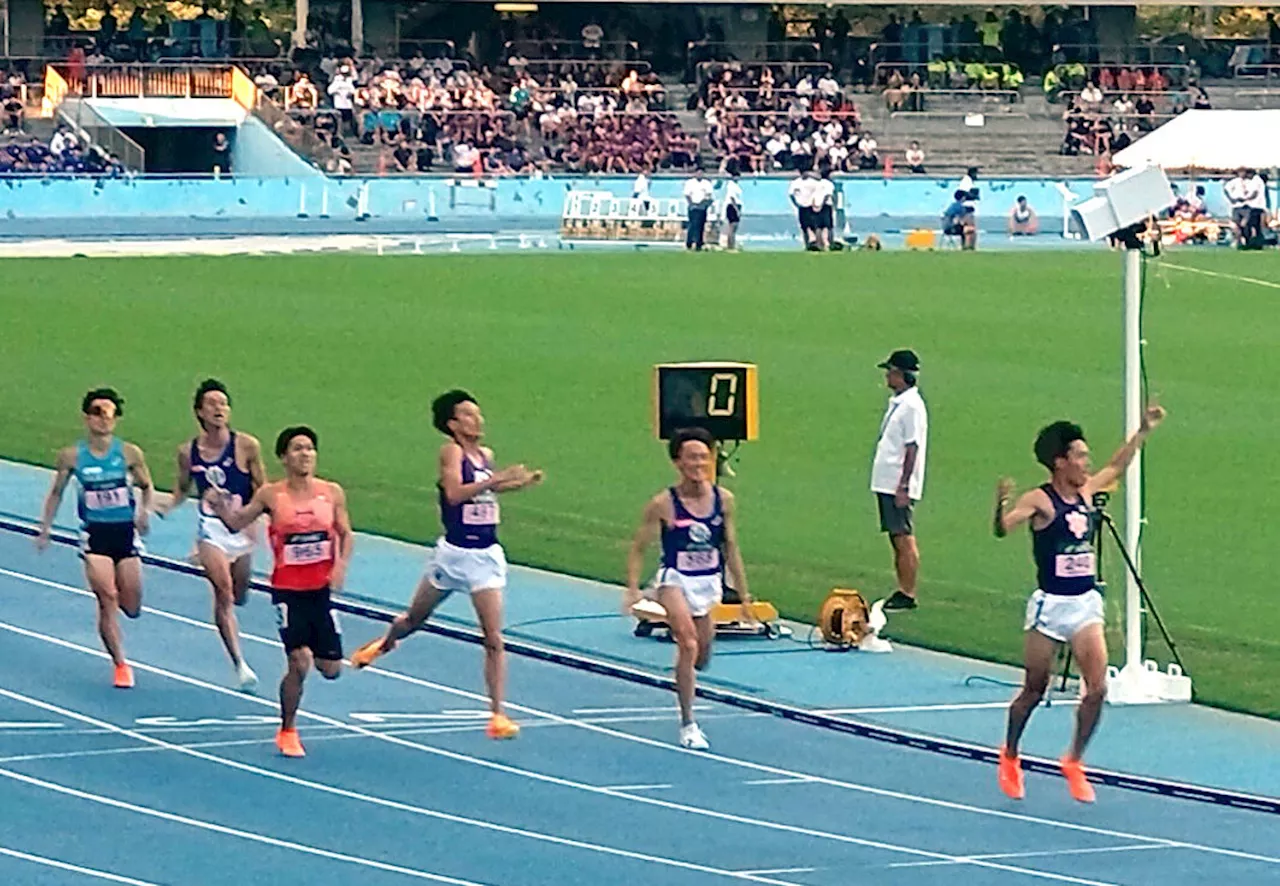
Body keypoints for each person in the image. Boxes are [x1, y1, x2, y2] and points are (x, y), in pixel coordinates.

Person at [992, 403, 1166, 803]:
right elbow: (1005, 528)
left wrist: (1142, 431)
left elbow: (1116, 467)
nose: (1087, 463)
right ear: (1060, 462)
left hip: (1084, 604)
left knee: (1098, 688)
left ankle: (1073, 760)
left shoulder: (1088, 493)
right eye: (1080, 456)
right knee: (1035, 688)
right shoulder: (1041, 499)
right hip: (1050, 605)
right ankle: (1011, 754)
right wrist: (1000, 507)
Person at [349, 390, 543, 740]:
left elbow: (484, 492)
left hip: (485, 557)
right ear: (453, 424)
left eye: (478, 413)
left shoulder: (486, 455)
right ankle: (385, 643)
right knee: (413, 619)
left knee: (494, 638)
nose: (477, 420)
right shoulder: (450, 452)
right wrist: (497, 479)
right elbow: (455, 493)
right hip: (453, 555)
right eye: (468, 415)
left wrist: (518, 483)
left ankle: (497, 714)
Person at [207, 426, 353, 758]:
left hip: (322, 590)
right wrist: (220, 507)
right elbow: (237, 522)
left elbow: (346, 533)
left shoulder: (331, 493)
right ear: (284, 457)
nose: (305, 454)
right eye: (298, 449)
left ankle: (313, 667)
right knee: (299, 662)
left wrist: (341, 566)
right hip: (289, 591)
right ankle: (288, 728)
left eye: (310, 448)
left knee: (331, 670)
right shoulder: (272, 496)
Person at [624, 427, 753, 749]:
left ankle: (684, 678)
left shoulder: (724, 500)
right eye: (691, 457)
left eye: (703, 457)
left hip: (707, 581)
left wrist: (745, 596)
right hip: (674, 580)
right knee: (689, 644)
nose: (698, 463)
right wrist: (632, 590)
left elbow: (731, 547)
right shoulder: (663, 504)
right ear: (678, 462)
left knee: (702, 657)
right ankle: (688, 723)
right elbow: (639, 547)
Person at [37, 388, 155, 688]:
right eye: (98, 413)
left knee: (132, 605)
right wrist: (45, 528)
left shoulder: (129, 453)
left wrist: (144, 513)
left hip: (125, 534)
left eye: (110, 413)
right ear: (87, 418)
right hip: (94, 536)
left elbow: (147, 485)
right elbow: (56, 493)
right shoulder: (72, 456)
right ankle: (120, 664)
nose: (104, 419)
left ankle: (121, 637)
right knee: (108, 598)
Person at [156, 379, 265, 691]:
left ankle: (237, 596)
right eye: (212, 404)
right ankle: (239, 663)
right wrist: (166, 505)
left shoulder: (246, 446)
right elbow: (182, 488)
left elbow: (262, 487)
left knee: (241, 593)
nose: (219, 409)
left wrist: (253, 519)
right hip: (211, 532)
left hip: (241, 529)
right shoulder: (188, 452)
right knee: (224, 592)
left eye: (223, 403)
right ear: (200, 412)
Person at [869, 351, 928, 611]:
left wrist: (903, 485)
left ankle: (908, 591)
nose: (887, 376)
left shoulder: (911, 407)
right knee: (896, 536)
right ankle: (903, 587)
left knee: (903, 535)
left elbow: (912, 447)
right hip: (888, 480)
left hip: (896, 482)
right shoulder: (900, 403)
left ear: (903, 375)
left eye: (891, 371)